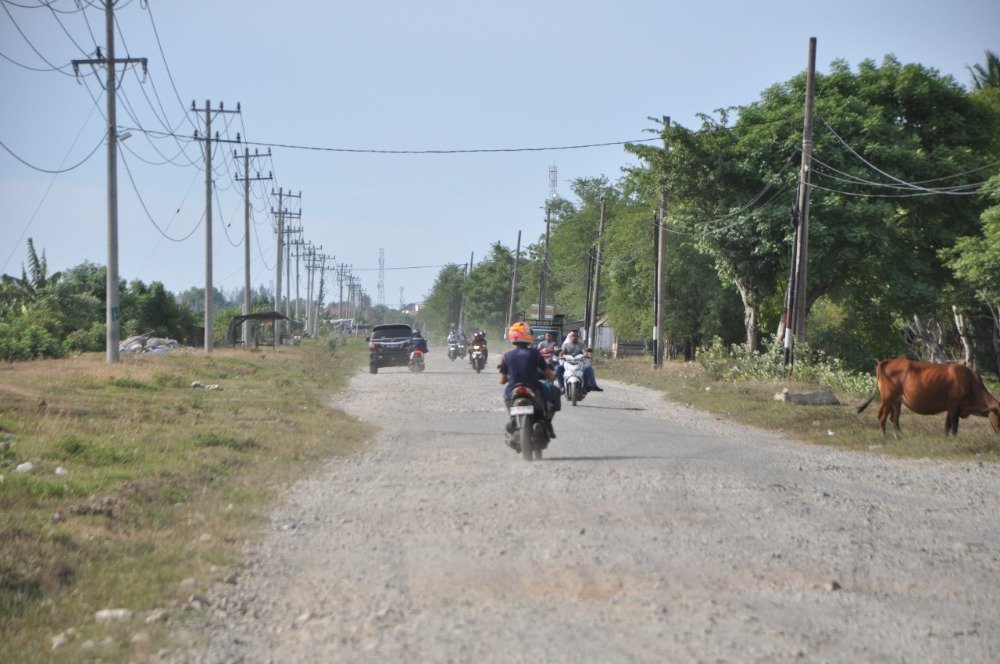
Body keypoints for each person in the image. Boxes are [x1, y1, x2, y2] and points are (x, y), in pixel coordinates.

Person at [498, 322, 559, 439]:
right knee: (555, 392)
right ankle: (548, 423)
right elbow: (548, 375)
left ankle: (512, 418)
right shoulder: (535, 354)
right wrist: (553, 375)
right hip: (534, 387)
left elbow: (502, 380)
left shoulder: (506, 355)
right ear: (527, 335)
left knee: (506, 395)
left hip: (513, 388)